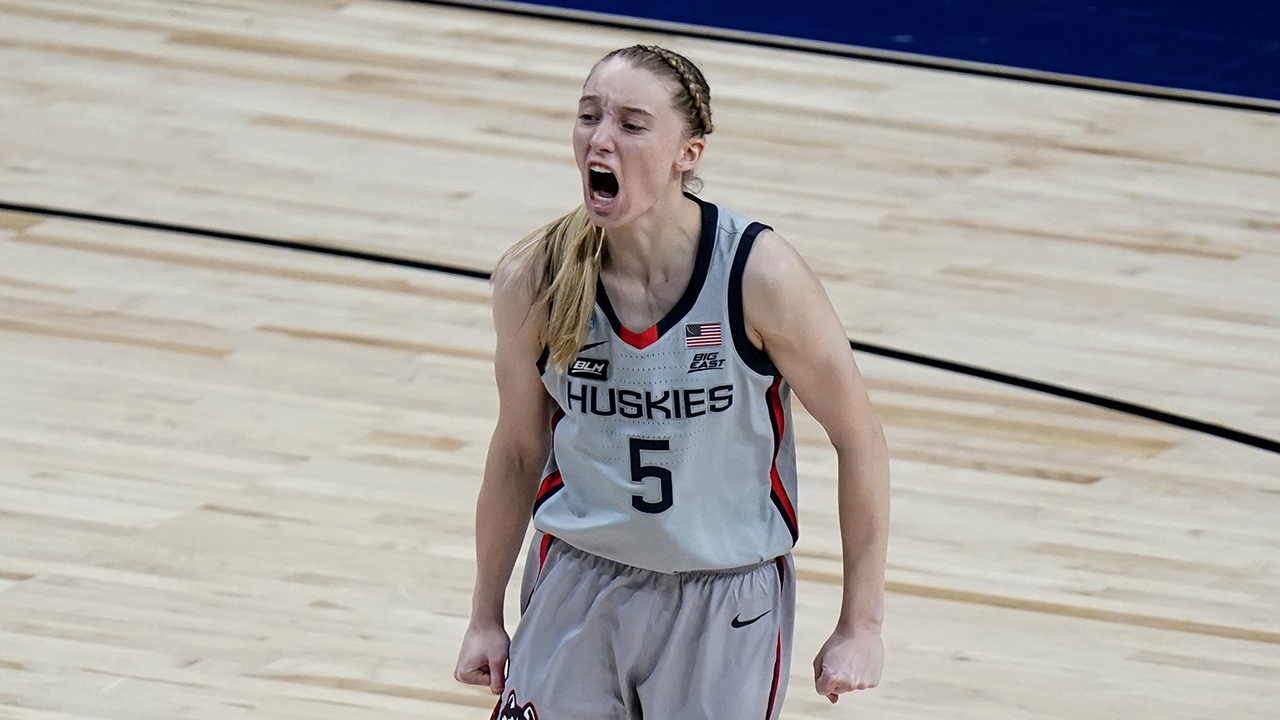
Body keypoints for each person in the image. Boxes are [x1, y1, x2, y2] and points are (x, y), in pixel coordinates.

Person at [454, 44, 889, 719]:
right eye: (589, 116)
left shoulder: (759, 275)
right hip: (577, 581)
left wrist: (861, 625)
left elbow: (860, 439)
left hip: (724, 603)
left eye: (631, 124)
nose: (600, 138)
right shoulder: (533, 279)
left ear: (690, 152)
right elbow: (516, 451)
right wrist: (484, 612)